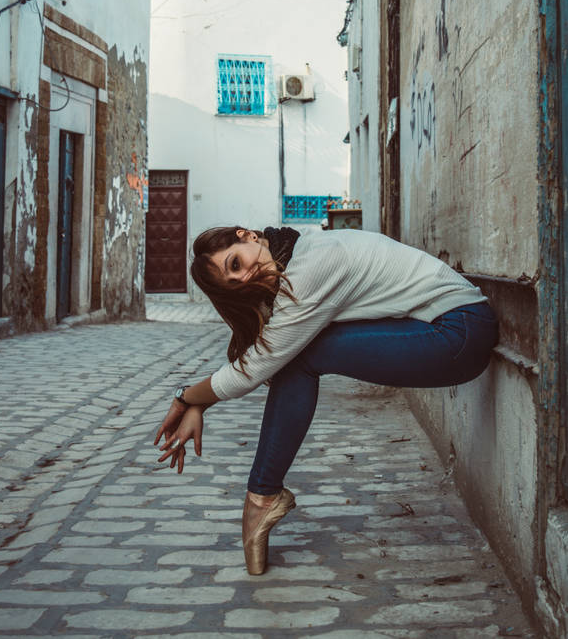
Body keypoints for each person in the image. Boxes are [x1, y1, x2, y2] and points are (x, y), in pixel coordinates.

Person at [154, 225, 497, 575]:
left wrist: (187, 399)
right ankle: (262, 497)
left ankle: (262, 497)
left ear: (249, 236)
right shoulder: (298, 251)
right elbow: (264, 357)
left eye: (236, 263)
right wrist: (199, 402)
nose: (244, 278)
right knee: (294, 354)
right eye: (234, 280)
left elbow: (257, 366)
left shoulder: (313, 264)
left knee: (298, 356)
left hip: (458, 331)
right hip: (445, 326)